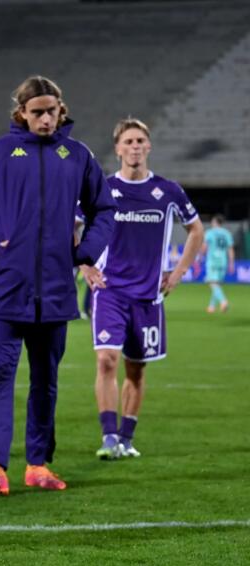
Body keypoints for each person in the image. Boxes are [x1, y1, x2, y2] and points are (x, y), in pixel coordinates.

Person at [0, 76, 115, 495]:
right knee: (0, 377)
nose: (45, 119)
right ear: (21, 112)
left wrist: (85, 252)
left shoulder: (77, 156)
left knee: (46, 380)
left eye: (51, 111)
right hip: (6, 289)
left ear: (61, 110)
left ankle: (38, 464)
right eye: (37, 112)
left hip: (56, 291)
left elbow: (104, 209)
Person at [81, 118, 204, 460]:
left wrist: (179, 272)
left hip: (149, 296)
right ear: (118, 149)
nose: (134, 147)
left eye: (140, 141)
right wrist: (84, 265)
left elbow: (196, 230)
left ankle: (126, 438)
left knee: (136, 369)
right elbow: (71, 225)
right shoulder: (102, 189)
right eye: (128, 142)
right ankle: (108, 437)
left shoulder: (168, 191)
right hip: (110, 291)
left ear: (148, 146)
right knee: (106, 360)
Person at [203, 214, 234, 313]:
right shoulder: (227, 233)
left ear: (215, 222)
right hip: (223, 261)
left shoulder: (210, 232)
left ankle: (223, 301)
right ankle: (211, 307)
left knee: (212, 283)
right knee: (217, 284)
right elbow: (230, 249)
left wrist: (200, 255)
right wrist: (231, 263)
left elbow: (204, 247)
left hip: (212, 260)